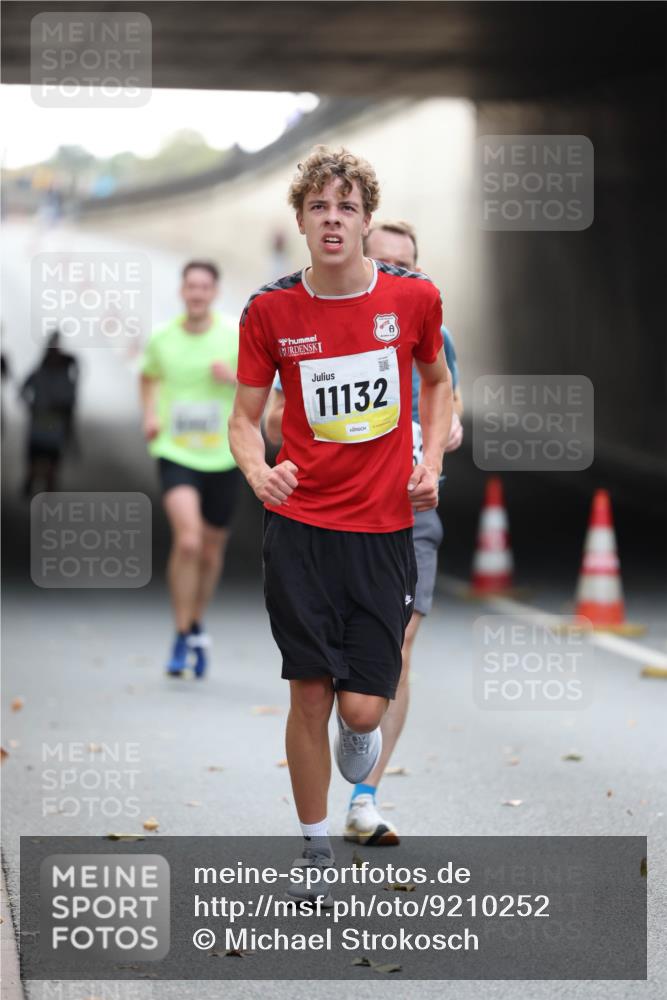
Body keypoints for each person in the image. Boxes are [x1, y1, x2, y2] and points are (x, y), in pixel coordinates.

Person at [229, 146, 453, 900]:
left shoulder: (413, 300)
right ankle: (315, 847)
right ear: (300, 219)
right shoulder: (269, 311)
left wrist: (431, 467)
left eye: (346, 207)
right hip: (299, 530)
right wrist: (260, 472)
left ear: (363, 220)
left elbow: (438, 383)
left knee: (361, 707)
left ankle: (359, 759)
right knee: (309, 692)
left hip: (384, 528)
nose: (332, 220)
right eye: (319, 207)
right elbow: (242, 419)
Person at [264, 219, 465, 846]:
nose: (395, 273)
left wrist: (436, 449)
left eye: (408, 264)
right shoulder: (306, 318)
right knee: (315, 683)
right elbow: (271, 412)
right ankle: (317, 834)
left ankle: (365, 796)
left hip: (407, 511)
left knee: (394, 654)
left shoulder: (425, 320)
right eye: (385, 261)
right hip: (325, 513)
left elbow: (445, 399)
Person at [140, 260, 240, 678]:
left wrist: (232, 378)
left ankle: (196, 622)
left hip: (224, 454)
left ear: (214, 292)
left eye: (204, 287)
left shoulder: (233, 335)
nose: (197, 293)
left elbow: (265, 386)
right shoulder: (163, 338)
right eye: (191, 286)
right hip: (176, 451)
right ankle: (181, 633)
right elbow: (148, 377)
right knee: (189, 542)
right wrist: (149, 414)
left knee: (213, 549)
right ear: (182, 291)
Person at [20, 330, 79, 496]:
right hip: (43, 421)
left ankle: (47, 486)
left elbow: (70, 401)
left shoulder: (61, 377)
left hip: (53, 423)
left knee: (51, 459)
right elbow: (24, 391)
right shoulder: (42, 374)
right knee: (37, 457)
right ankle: (33, 482)